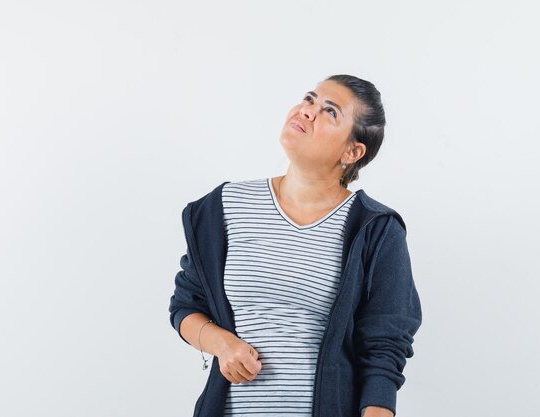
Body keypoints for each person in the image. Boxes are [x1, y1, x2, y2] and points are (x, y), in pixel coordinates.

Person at [168, 74, 422, 417]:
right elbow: (186, 306)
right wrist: (223, 344)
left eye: (329, 111)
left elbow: (385, 347)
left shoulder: (375, 229)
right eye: (309, 99)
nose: (308, 111)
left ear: (352, 151)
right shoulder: (223, 207)